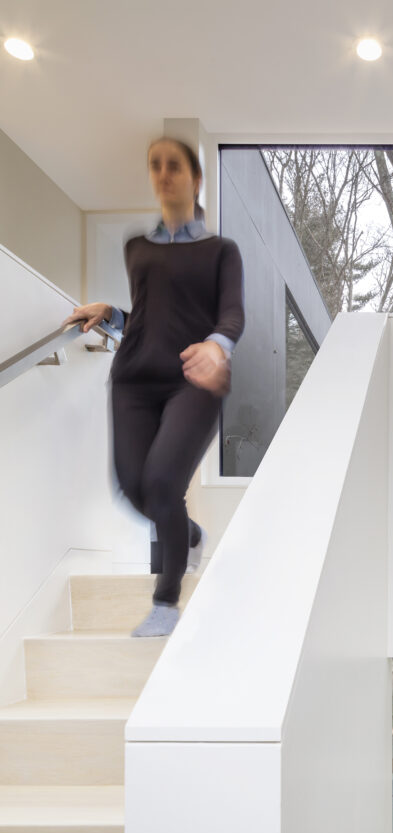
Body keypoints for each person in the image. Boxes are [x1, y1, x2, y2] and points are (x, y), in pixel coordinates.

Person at [67, 137, 244, 637]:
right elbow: (151, 316)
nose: (163, 174)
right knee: (131, 487)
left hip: (194, 378)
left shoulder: (221, 251)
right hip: (134, 379)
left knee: (164, 482)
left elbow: (232, 314)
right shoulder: (136, 247)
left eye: (174, 166)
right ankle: (189, 535)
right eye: (155, 166)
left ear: (196, 179)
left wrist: (216, 347)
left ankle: (165, 603)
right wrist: (112, 313)